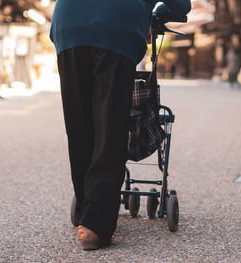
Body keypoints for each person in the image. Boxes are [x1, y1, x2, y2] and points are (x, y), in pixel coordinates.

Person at [50, 0, 191, 250]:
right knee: (110, 127)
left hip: (68, 24)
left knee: (79, 126)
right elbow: (180, 5)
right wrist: (159, 13)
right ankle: (95, 225)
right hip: (116, 29)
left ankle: (87, 209)